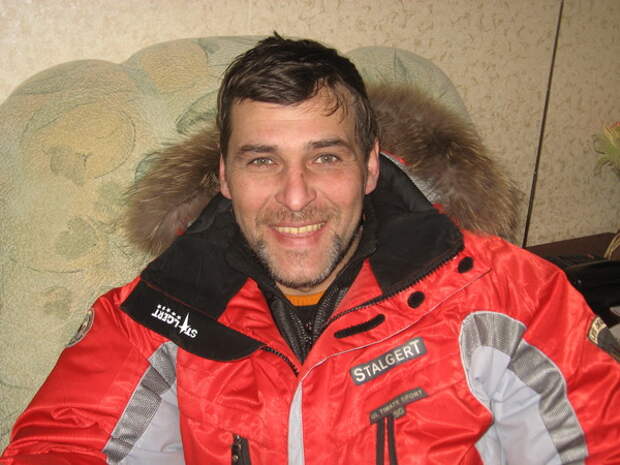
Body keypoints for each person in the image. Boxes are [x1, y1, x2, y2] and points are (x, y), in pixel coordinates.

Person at [1, 34, 619, 465]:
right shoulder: (154, 314)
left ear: (371, 167)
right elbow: (62, 444)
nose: (295, 198)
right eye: (262, 160)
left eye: (325, 158)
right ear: (224, 177)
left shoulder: (515, 297)